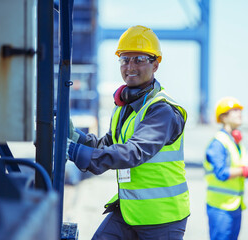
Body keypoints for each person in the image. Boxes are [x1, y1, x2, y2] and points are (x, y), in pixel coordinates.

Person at [66, 25, 190, 240]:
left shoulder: (162, 110)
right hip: (130, 212)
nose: (130, 66)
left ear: (156, 64)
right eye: (124, 59)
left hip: (162, 219)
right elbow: (108, 145)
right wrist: (74, 137)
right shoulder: (124, 106)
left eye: (139, 59)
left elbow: (134, 152)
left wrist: (77, 153)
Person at [203, 97, 248, 240]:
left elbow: (240, 170)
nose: (239, 113)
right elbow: (221, 173)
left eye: (240, 110)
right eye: (234, 111)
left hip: (235, 206)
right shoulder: (218, 143)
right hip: (220, 207)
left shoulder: (236, 143)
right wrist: (246, 170)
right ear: (223, 117)